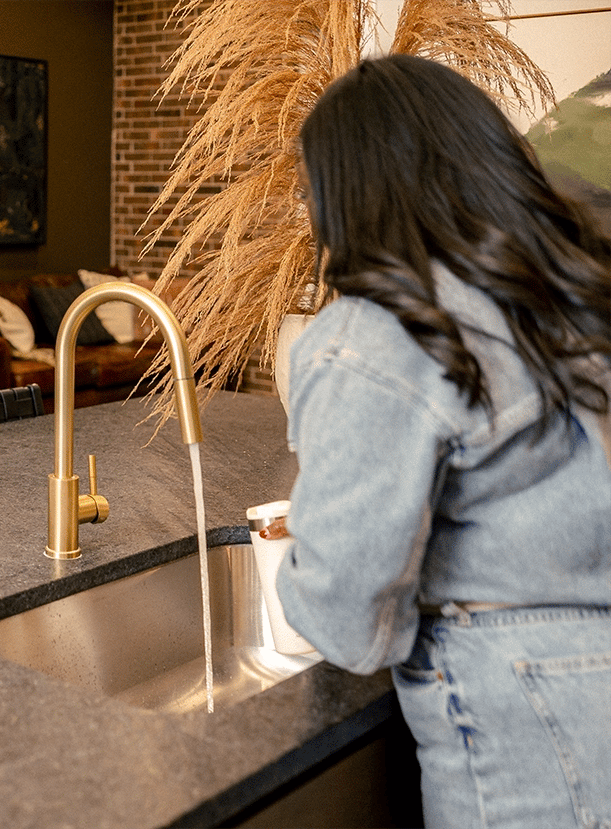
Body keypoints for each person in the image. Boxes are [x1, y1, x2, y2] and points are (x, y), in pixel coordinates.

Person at [276, 54, 611, 828]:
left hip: (529, 714)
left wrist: (294, 563)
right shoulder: (564, 292)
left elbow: (347, 622)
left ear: (348, 194)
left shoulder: (378, 332)